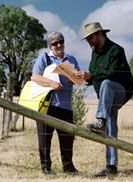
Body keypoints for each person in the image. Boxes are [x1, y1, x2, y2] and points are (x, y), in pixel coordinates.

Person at [77, 22, 133, 177]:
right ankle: (111, 166)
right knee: (112, 125)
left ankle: (100, 120)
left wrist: (92, 76)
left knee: (107, 83)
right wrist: (85, 79)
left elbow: (114, 74)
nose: (89, 41)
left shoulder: (116, 50)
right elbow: (94, 75)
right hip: (107, 96)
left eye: (91, 37)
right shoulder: (94, 53)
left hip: (121, 90)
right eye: (87, 38)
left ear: (100, 34)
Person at [31, 31, 79, 175]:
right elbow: (35, 77)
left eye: (61, 42)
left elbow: (77, 78)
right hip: (47, 105)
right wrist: (51, 82)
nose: (58, 45)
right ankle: (46, 167)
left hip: (66, 106)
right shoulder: (44, 58)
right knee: (45, 138)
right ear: (50, 46)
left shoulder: (72, 59)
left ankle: (68, 167)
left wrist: (74, 79)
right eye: (54, 43)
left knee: (67, 139)